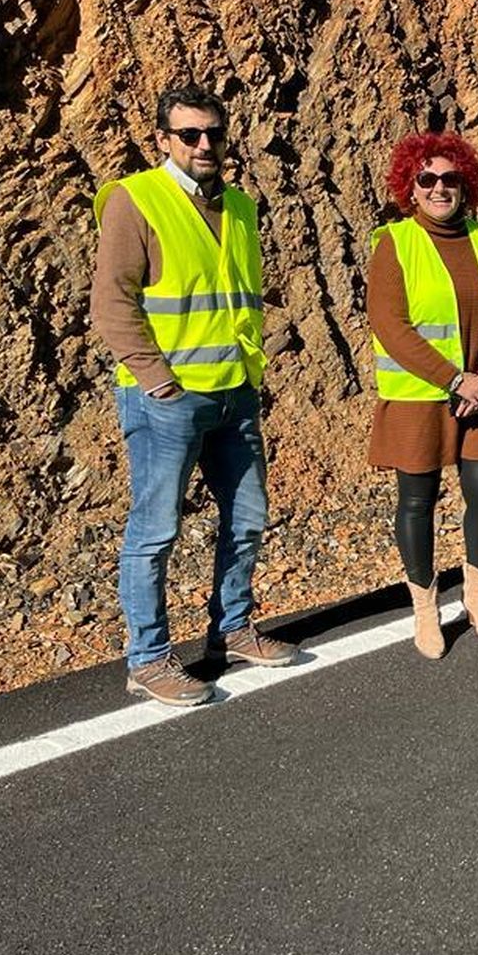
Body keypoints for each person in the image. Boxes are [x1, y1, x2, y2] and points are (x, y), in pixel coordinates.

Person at [91, 84, 296, 706]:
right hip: (165, 398)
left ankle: (231, 629)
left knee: (248, 517)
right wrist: (158, 379)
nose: (204, 144)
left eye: (214, 133)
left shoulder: (237, 205)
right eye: (189, 134)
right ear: (164, 140)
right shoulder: (137, 201)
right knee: (155, 530)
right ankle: (149, 659)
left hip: (234, 391)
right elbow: (111, 304)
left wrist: (249, 374)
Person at [366, 132, 478, 659]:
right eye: (427, 179)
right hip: (421, 397)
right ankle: (426, 611)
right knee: (417, 503)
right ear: (410, 185)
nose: (439, 188)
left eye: (450, 179)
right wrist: (455, 379)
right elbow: (390, 324)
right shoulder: (396, 242)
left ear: (466, 184)